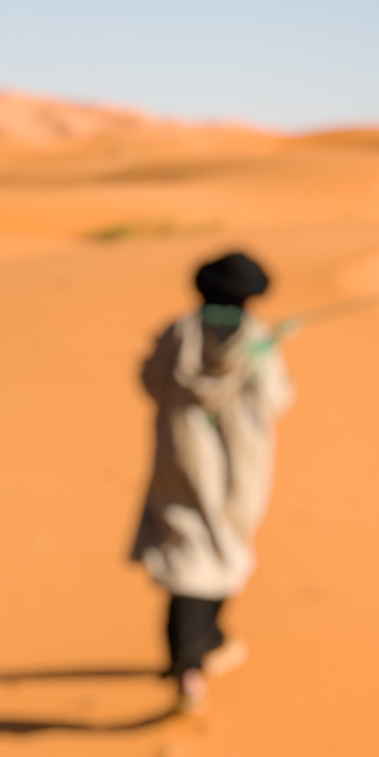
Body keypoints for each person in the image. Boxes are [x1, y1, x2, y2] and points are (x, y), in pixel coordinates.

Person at [131, 252, 293, 713]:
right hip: (241, 469)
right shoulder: (259, 339)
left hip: (183, 463)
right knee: (223, 550)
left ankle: (194, 657)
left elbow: (149, 380)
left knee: (188, 555)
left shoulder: (177, 332)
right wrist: (268, 352)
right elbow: (278, 399)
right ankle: (192, 666)